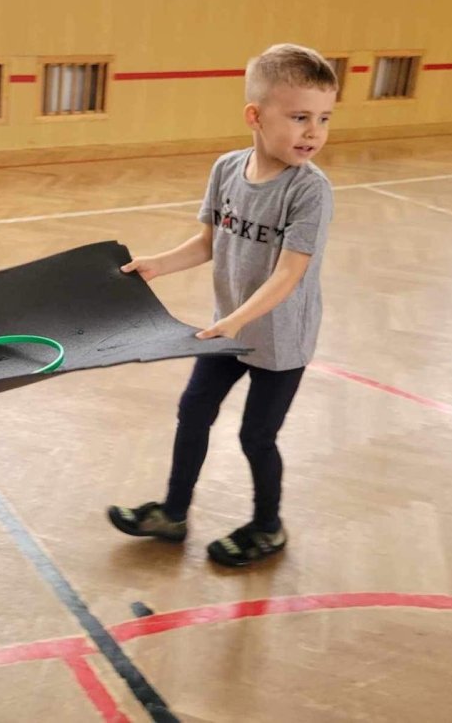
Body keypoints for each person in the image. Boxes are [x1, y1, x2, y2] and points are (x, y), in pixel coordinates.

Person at [107, 44, 336, 567]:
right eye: (299, 117)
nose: (313, 132)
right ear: (255, 116)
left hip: (279, 341)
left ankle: (268, 527)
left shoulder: (310, 192)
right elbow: (210, 241)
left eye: (324, 119)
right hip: (228, 330)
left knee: (257, 436)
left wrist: (234, 321)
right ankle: (172, 513)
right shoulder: (227, 169)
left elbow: (289, 273)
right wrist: (159, 264)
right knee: (193, 412)